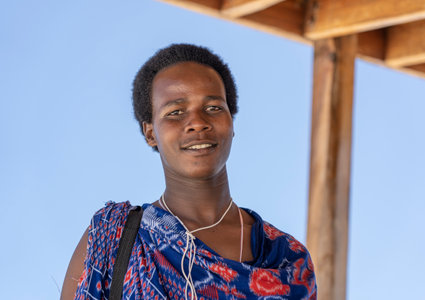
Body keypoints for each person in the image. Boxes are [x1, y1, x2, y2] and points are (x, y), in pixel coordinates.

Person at [61, 44, 316, 300]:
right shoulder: (113, 237)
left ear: (231, 121)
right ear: (151, 133)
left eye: (214, 108)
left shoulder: (289, 259)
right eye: (175, 112)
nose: (197, 123)